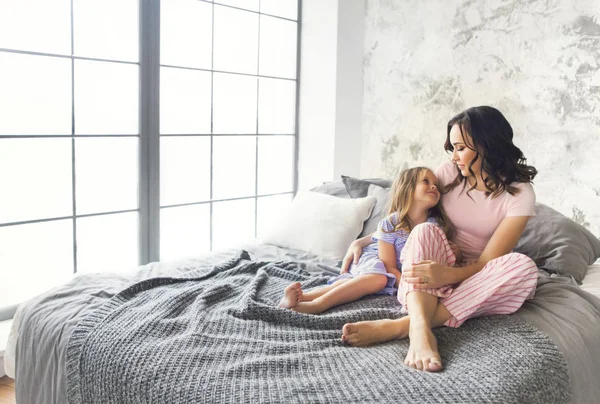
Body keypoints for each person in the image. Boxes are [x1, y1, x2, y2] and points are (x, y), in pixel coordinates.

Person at [340, 106, 539, 373]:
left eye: (460, 148)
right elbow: (411, 212)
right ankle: (421, 330)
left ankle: (403, 325)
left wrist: (449, 275)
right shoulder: (449, 173)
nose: (454, 156)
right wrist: (365, 240)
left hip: (478, 274)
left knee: (524, 267)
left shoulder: (519, 193)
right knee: (424, 231)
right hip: (433, 263)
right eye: (452, 148)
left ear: (485, 145)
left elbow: (489, 260)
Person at [279, 167, 456, 314]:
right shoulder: (389, 225)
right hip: (372, 259)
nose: (434, 187)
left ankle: (302, 298)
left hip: (386, 272)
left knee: (353, 283)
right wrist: (410, 285)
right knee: (377, 278)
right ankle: (318, 305)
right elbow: (389, 267)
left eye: (436, 185)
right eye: (426, 181)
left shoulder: (435, 225)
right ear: (408, 188)